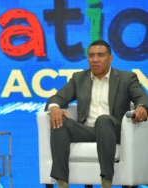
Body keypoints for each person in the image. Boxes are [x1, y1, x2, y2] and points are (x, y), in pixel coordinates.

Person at [46, 40, 148, 188]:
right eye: (91, 55)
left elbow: (141, 97)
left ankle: (106, 181)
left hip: (113, 130)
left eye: (100, 55)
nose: (95, 59)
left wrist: (142, 107)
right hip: (87, 130)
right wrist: (54, 107)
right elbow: (58, 97)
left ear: (110, 58)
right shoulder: (79, 78)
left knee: (103, 120)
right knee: (59, 120)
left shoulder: (126, 78)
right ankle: (61, 182)